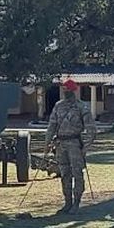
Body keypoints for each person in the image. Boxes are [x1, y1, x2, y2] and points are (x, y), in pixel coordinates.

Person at [44, 79, 96, 214]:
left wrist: (86, 147)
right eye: (64, 89)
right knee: (64, 173)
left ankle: (77, 202)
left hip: (74, 144)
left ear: (74, 91)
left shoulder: (82, 107)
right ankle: (67, 202)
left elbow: (91, 129)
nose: (66, 92)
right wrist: (47, 143)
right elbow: (52, 125)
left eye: (69, 90)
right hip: (61, 144)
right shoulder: (58, 106)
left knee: (77, 173)